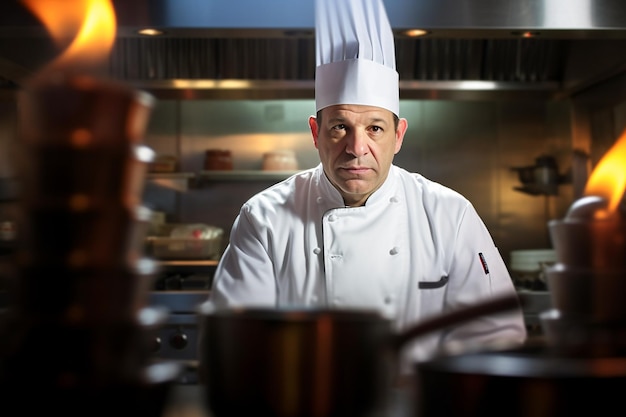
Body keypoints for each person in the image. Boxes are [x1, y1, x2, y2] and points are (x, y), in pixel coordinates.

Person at [208, 0, 527, 369]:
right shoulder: (264, 218)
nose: (357, 149)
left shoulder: (449, 214)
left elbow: (493, 339)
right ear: (315, 132)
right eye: (340, 127)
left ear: (399, 135)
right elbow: (237, 347)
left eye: (375, 128)